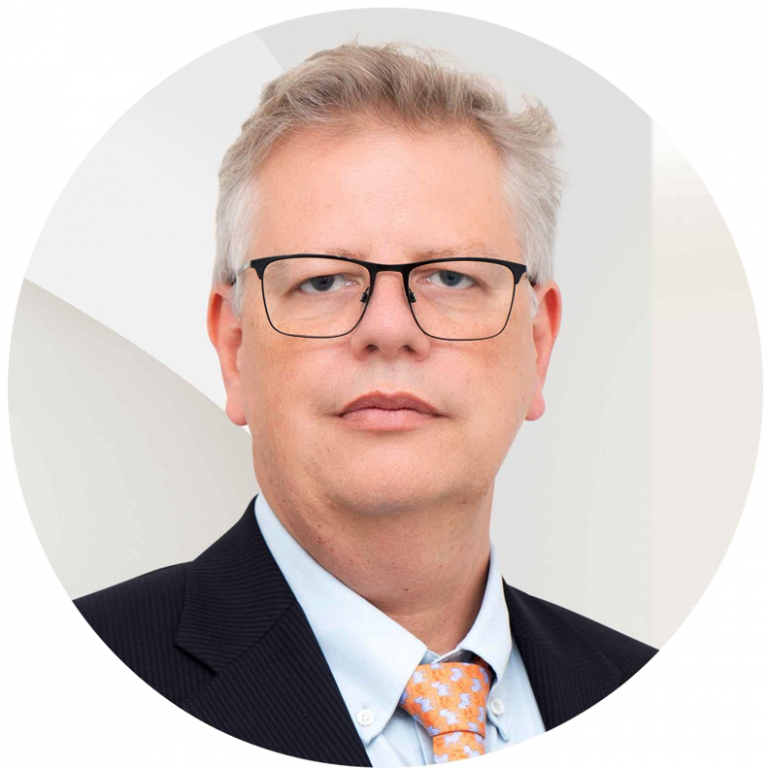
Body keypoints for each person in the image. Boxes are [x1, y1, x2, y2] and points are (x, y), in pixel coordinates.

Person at [73, 40, 658, 766]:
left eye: (451, 277)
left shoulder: (631, 677)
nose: (388, 328)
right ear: (234, 347)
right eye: (323, 281)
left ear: (537, 347)